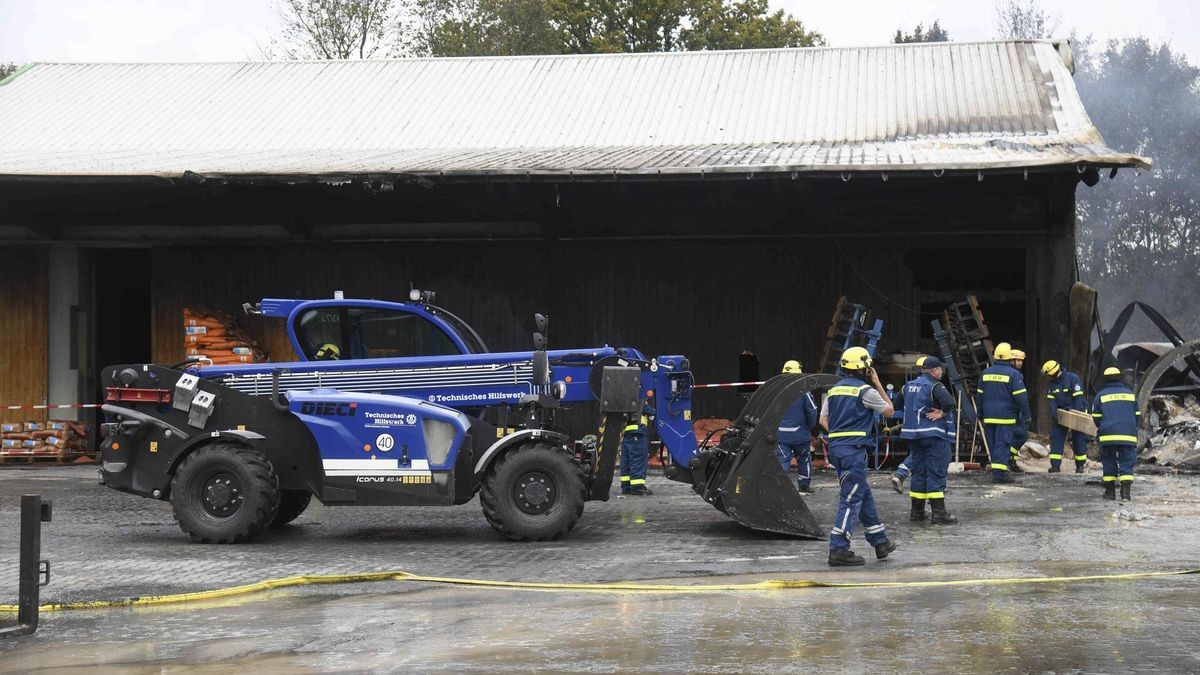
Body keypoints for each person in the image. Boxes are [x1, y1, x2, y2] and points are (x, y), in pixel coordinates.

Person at [820, 346, 898, 567]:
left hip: (837, 448)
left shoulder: (834, 390)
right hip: (853, 451)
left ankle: (880, 541)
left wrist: (838, 435)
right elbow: (890, 411)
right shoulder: (866, 391)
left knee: (861, 492)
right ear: (865, 368)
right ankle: (838, 549)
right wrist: (878, 383)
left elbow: (823, 421)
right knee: (851, 499)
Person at [897, 356, 958, 524]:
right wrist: (942, 413)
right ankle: (939, 513)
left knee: (919, 472)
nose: (942, 372)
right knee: (936, 471)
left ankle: (916, 512)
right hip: (933, 435)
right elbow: (948, 402)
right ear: (934, 370)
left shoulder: (908, 386)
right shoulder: (935, 386)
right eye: (940, 369)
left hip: (913, 435)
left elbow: (897, 402)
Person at [977, 342, 1031, 484]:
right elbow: (1021, 397)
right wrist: (1027, 415)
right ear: (1009, 357)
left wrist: (980, 414)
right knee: (1003, 443)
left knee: (994, 444)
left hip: (989, 416)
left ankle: (998, 471)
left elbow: (980, 396)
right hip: (1005, 416)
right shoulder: (1013, 374)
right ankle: (1000, 475)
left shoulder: (986, 373)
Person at [1090, 367, 1140, 500]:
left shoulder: (1100, 395)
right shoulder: (1130, 394)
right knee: (1127, 462)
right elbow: (1138, 416)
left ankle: (1110, 493)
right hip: (1128, 435)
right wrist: (1131, 429)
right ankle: (1125, 494)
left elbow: (1096, 417)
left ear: (1105, 380)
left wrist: (1103, 427)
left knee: (1109, 462)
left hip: (1108, 436)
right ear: (1120, 377)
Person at [776, 360, 819, 494]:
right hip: (800, 435)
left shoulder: (776, 392)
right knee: (804, 459)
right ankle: (804, 486)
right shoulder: (803, 391)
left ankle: (779, 488)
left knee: (782, 462)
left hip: (781, 435)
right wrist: (810, 426)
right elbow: (812, 411)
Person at [1042, 359, 1091, 473]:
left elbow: (1078, 398)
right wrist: (1055, 415)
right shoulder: (1052, 383)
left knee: (1078, 439)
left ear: (1054, 372)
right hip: (1062, 413)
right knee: (1057, 437)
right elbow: (1051, 400)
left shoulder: (1072, 378)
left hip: (1076, 411)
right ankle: (1055, 466)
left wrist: (1075, 413)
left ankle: (1080, 466)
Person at [620, 405, 653, 496]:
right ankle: (637, 487)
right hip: (638, 432)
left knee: (626, 460)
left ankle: (626, 486)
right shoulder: (639, 396)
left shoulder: (627, 397)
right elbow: (649, 410)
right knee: (638, 459)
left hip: (627, 432)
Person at [1009, 350, 1029, 471]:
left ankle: (1011, 459)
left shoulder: (1017, 374)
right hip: (1012, 411)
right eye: (1017, 360)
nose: (1020, 362)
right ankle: (1009, 458)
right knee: (1021, 434)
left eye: (1021, 360)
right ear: (1011, 360)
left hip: (1016, 411)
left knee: (1018, 435)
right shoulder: (1014, 375)